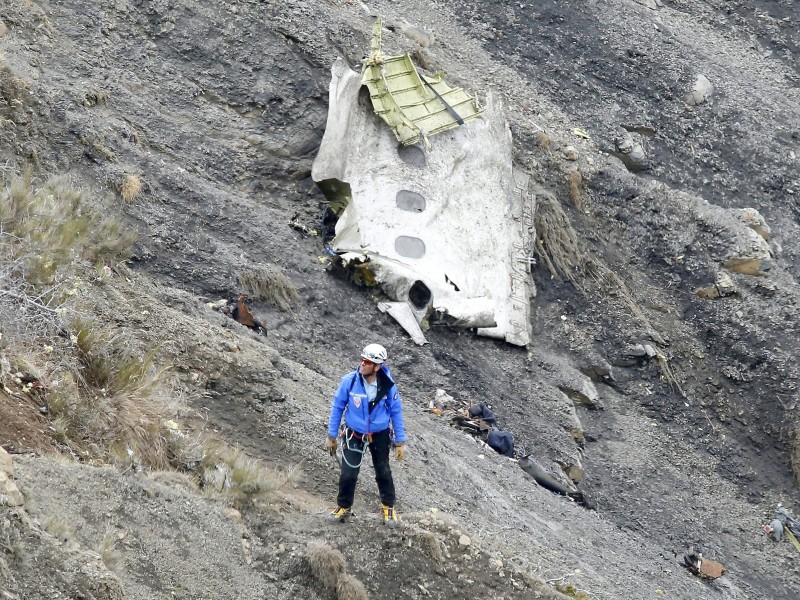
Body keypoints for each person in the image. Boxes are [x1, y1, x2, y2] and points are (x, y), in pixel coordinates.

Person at [325, 343, 407, 527]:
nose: (361, 364)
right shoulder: (350, 381)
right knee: (348, 473)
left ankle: (388, 507)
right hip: (354, 434)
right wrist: (331, 436)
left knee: (383, 471)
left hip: (380, 434)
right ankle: (343, 507)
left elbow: (396, 411)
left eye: (367, 362)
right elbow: (337, 407)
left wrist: (400, 441)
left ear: (377, 367)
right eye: (361, 359)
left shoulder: (388, 385)